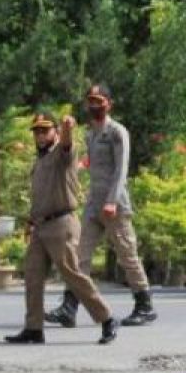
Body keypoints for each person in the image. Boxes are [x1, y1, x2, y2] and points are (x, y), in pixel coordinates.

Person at [46, 84, 156, 328]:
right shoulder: (90, 134)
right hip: (94, 204)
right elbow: (91, 161)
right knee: (79, 256)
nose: (95, 105)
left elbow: (121, 169)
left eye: (99, 100)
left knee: (127, 255)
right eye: (91, 101)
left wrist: (112, 201)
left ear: (109, 103)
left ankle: (144, 305)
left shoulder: (117, 132)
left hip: (114, 205)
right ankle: (69, 307)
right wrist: (80, 169)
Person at [7, 113, 118, 345]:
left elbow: (67, 144)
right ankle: (33, 328)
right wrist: (30, 222)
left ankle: (107, 318)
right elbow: (41, 195)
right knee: (33, 275)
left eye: (45, 130)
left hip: (62, 224)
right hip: (41, 226)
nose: (40, 135)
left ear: (55, 132)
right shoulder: (40, 159)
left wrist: (68, 127)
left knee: (72, 274)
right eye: (37, 131)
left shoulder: (61, 153)